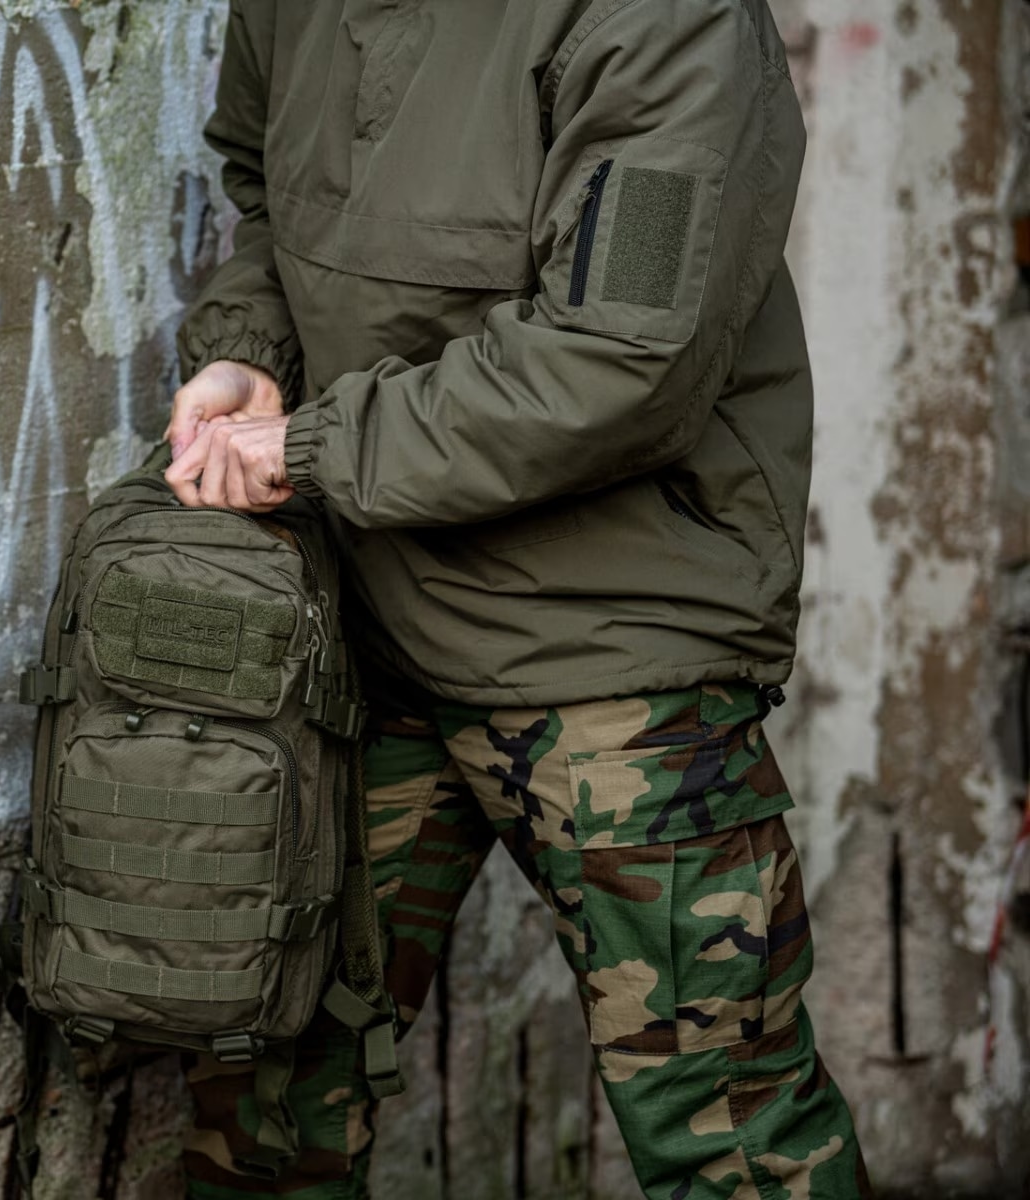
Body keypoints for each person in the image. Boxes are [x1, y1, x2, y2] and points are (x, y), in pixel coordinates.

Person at [162, 1, 872, 1197]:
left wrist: (315, 448)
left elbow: (619, 358)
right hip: (360, 638)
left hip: (615, 667)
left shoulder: (665, 19)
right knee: (265, 1097)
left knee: (731, 1135)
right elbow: (270, 207)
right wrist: (250, 354)